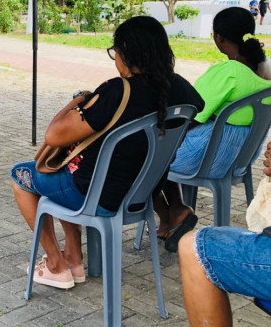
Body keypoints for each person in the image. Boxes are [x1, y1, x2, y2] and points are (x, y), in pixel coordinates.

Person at [11, 16, 203, 289]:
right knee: (73, 167)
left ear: (125, 52)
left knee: (21, 175)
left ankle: (56, 264)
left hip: (97, 195)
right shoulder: (180, 88)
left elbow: (53, 135)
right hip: (142, 195)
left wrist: (79, 100)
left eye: (116, 52)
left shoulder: (117, 91)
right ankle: (74, 259)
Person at [154, 7, 271, 252]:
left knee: (148, 152)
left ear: (219, 38)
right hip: (240, 160)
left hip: (206, 159)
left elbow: (191, 113)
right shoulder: (266, 73)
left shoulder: (228, 71)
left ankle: (170, 213)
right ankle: (176, 212)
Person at [178, 142, 271, 327]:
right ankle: (174, 211)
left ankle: (173, 211)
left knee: (194, 248)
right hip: (235, 161)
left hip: (214, 161)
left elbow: (199, 116)